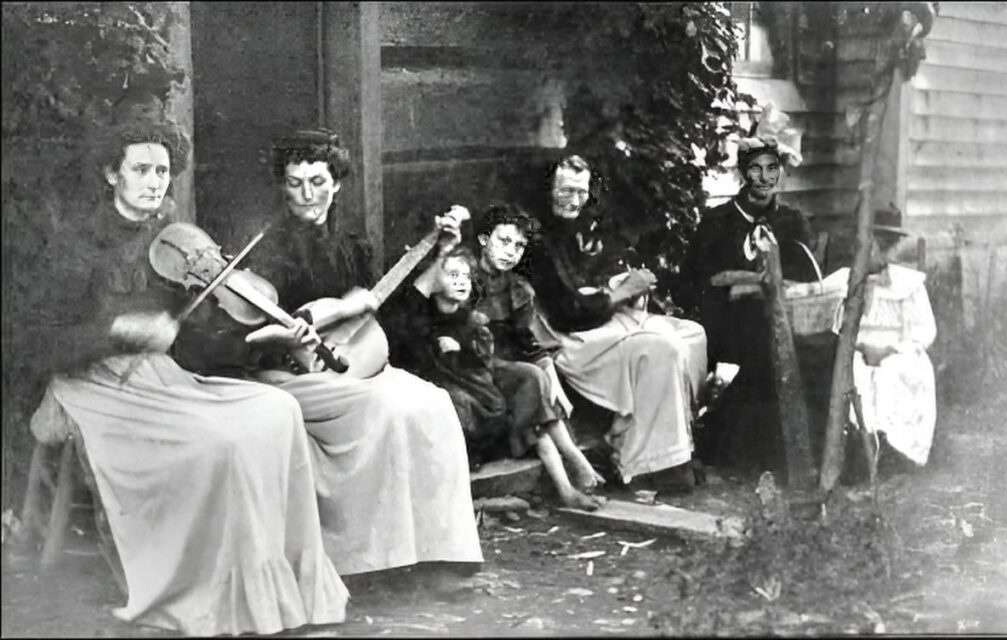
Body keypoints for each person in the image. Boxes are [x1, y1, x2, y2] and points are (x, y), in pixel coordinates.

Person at [25, 122, 348, 636]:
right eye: (141, 169)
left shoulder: (175, 243)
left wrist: (269, 335)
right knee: (218, 441)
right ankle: (205, 590)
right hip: (95, 385)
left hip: (163, 377)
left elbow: (202, 343)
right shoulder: (76, 245)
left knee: (280, 410)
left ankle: (277, 587)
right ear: (111, 174)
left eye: (162, 171)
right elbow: (35, 342)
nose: (155, 181)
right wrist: (116, 329)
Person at [173, 128, 483, 581]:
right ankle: (358, 560)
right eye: (295, 183)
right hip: (284, 374)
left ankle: (437, 551)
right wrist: (282, 335)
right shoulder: (264, 248)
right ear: (282, 186)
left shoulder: (352, 246)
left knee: (432, 403)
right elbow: (237, 343)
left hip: (347, 363)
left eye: (317, 182)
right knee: (378, 408)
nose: (306, 195)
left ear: (336, 184)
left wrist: (436, 259)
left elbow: (376, 321)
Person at [382, 204, 604, 510]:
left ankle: (572, 469)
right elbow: (423, 307)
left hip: (491, 363)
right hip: (462, 365)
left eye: (519, 246)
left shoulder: (517, 289)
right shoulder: (463, 270)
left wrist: (556, 386)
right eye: (504, 241)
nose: (510, 251)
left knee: (533, 379)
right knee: (527, 387)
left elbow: (528, 344)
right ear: (484, 239)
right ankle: (570, 476)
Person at [520, 155, 709, 491]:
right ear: (548, 190)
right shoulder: (536, 238)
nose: (574, 200)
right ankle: (650, 462)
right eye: (565, 191)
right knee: (659, 348)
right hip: (565, 333)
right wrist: (623, 292)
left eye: (581, 192)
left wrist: (622, 285)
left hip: (596, 316)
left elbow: (592, 279)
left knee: (692, 334)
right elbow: (565, 311)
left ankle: (659, 440)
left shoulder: (582, 226)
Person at [685, 105, 819, 474]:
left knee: (815, 348)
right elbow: (697, 280)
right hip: (726, 323)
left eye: (772, 169)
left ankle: (802, 448)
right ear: (743, 173)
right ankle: (740, 449)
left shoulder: (792, 223)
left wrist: (767, 285)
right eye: (755, 169)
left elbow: (805, 278)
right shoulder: (718, 221)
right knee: (762, 343)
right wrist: (749, 283)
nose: (764, 178)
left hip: (782, 316)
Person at [831, 211, 937, 468]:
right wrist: (859, 346)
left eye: (882, 246)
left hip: (897, 351)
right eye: (865, 245)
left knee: (897, 373)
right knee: (854, 372)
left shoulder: (908, 284)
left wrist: (890, 350)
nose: (874, 252)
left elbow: (924, 331)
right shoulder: (846, 280)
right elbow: (835, 326)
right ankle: (861, 443)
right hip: (856, 350)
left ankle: (896, 449)